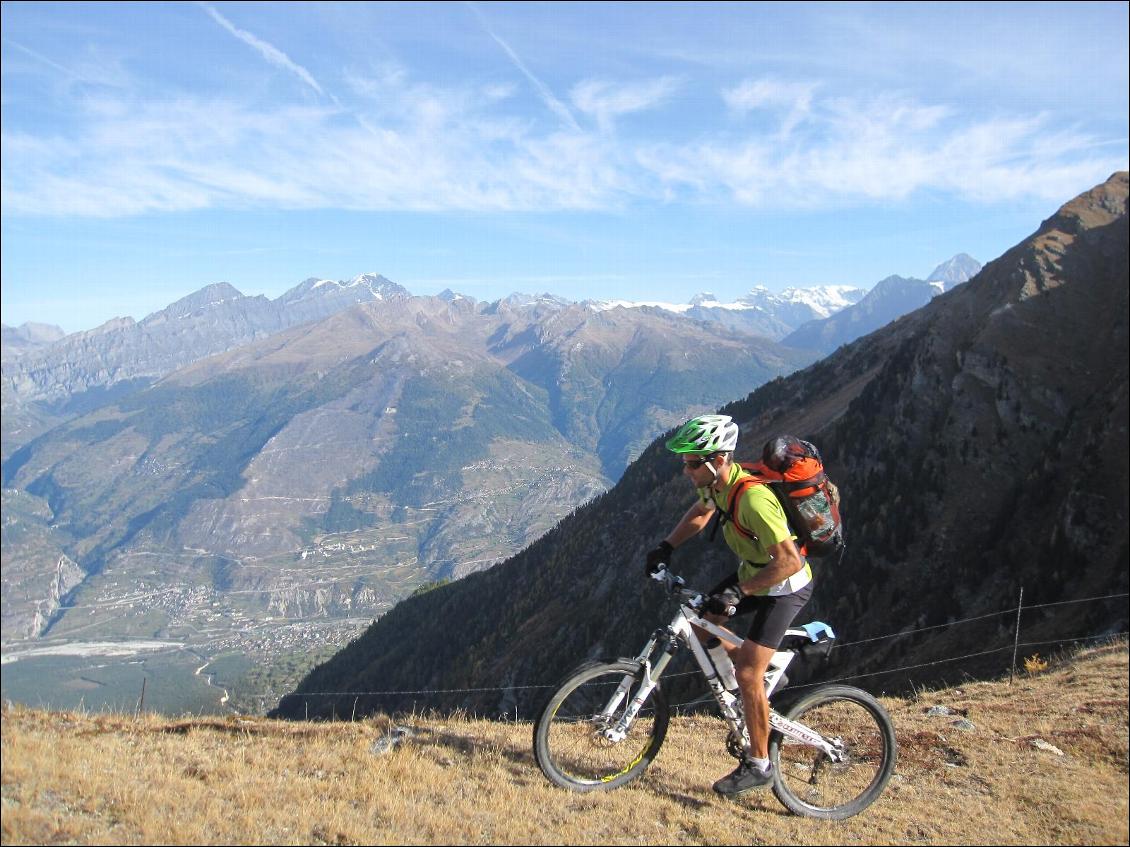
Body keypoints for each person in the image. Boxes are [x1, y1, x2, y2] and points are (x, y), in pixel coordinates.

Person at [645, 413, 813, 798]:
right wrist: (667, 546)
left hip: (783, 585)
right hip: (755, 574)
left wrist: (738, 593)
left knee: (748, 675)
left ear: (718, 459)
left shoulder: (753, 498)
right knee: (703, 622)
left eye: (692, 463)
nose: (686, 470)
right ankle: (759, 671)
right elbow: (702, 511)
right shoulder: (718, 484)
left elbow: (790, 561)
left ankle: (759, 764)